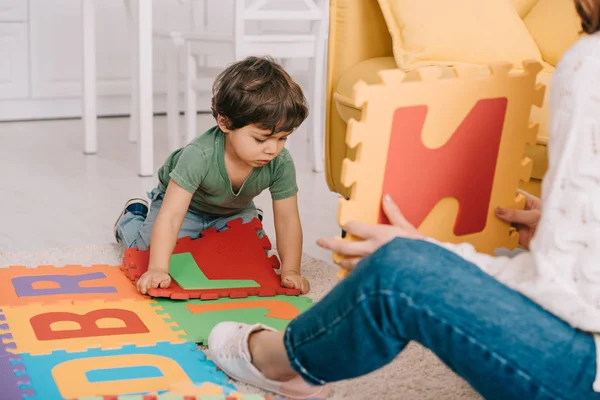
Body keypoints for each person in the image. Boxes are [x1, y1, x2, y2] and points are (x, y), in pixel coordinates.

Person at [206, 1, 600, 399]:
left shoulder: (590, 63)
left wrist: (436, 254)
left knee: (399, 270)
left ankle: (280, 361)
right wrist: (565, 228)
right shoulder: (201, 159)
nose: (273, 149)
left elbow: (566, 295)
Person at [114, 56, 311, 295]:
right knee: (145, 253)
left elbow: (288, 219)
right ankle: (133, 217)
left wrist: (291, 270)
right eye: (261, 139)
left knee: (252, 262)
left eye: (282, 138)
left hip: (233, 211)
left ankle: (247, 217)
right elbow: (172, 215)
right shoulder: (199, 155)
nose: (272, 149)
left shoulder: (280, 162)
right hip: (185, 208)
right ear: (225, 122)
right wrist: (157, 269)